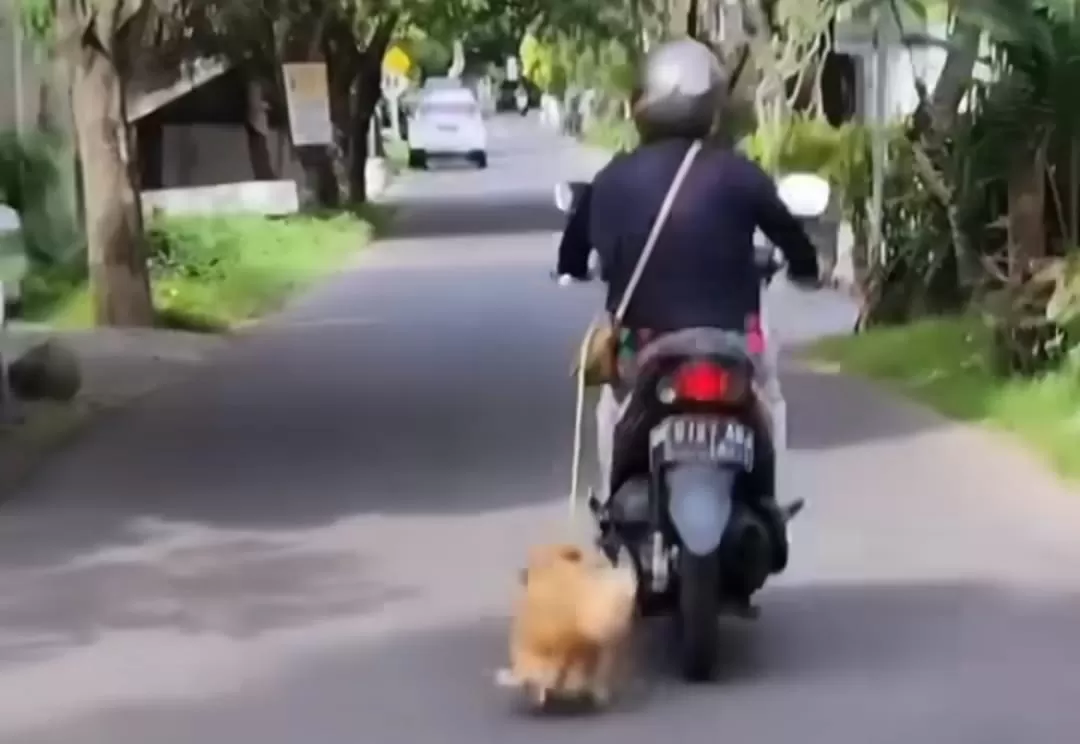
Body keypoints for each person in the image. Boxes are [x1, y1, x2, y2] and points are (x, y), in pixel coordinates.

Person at [554, 38, 824, 553]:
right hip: (733, 342)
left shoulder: (611, 179)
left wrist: (574, 268)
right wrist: (807, 270)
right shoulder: (741, 174)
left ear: (642, 106)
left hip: (641, 348)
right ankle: (769, 501)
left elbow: (572, 252)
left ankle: (614, 508)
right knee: (770, 398)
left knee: (612, 409)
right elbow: (794, 240)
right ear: (712, 108)